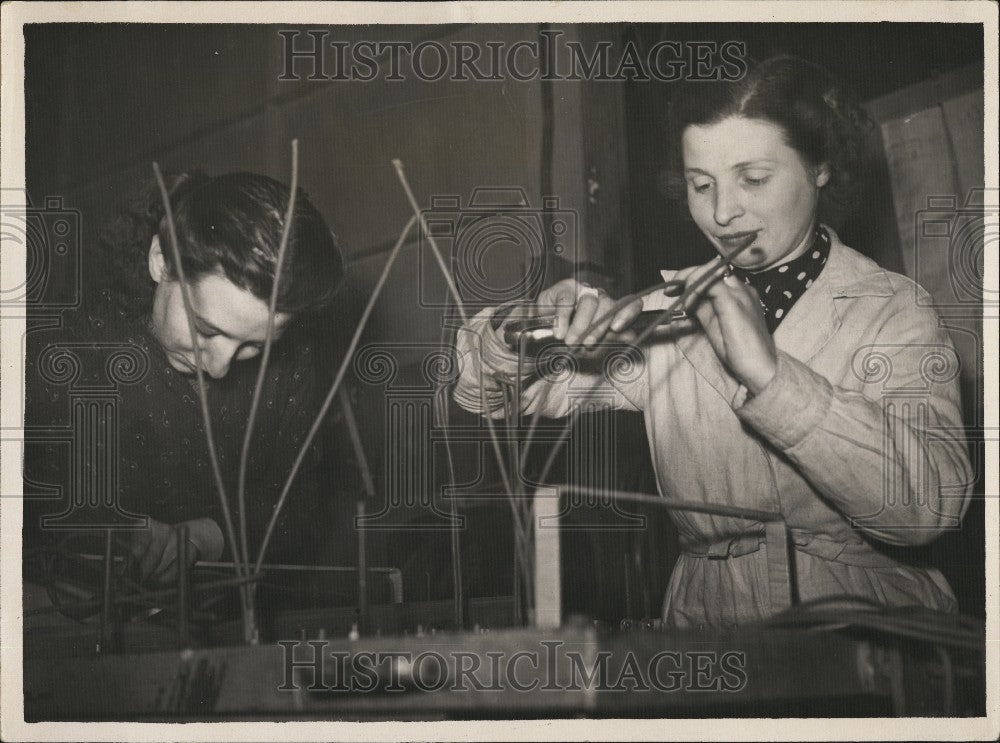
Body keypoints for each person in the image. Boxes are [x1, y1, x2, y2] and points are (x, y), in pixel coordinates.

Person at [453, 55, 974, 629]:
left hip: (866, 630)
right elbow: (498, 399)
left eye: (753, 179)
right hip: (705, 625)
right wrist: (520, 330)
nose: (723, 213)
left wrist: (772, 378)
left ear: (820, 166)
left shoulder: (892, 309)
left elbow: (928, 510)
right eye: (702, 185)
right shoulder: (665, 317)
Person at [24, 171, 346, 587]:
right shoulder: (67, 357)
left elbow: (297, 505)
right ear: (162, 261)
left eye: (254, 347)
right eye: (207, 331)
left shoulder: (293, 364)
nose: (220, 367)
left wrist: (207, 537)